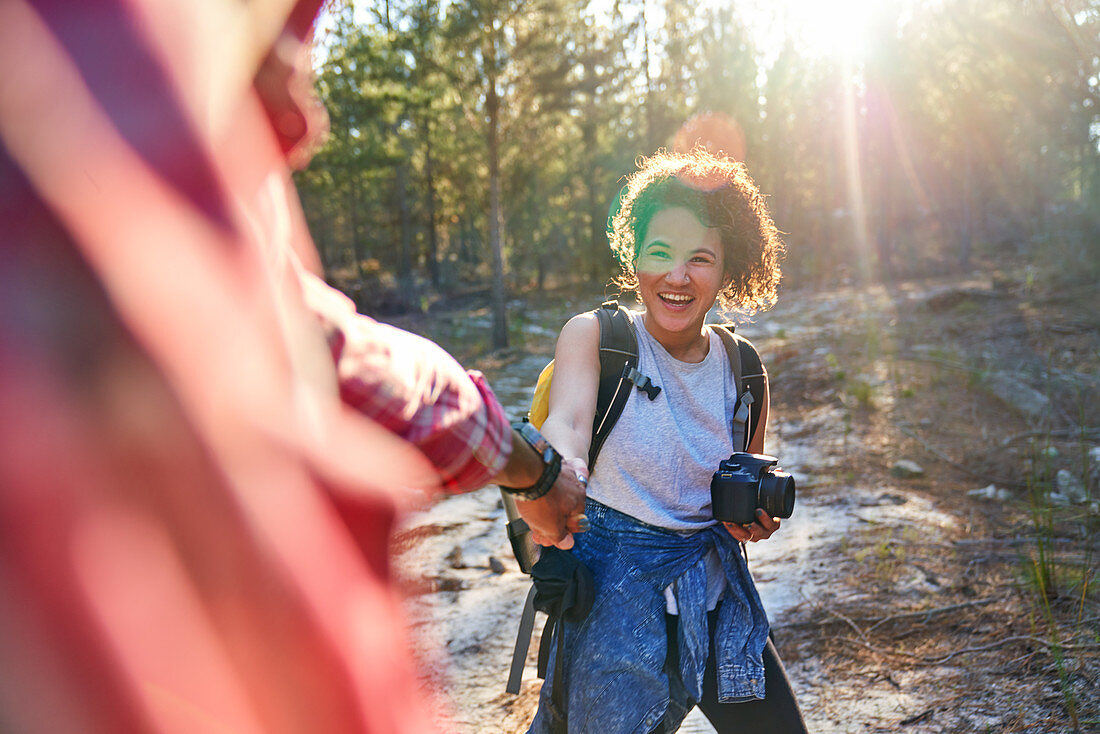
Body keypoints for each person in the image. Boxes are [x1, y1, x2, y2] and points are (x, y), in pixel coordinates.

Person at [0, 2, 579, 733]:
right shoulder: (96, 89)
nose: (310, 131)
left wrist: (526, 466)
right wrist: (532, 469)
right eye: (282, 41)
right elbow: (301, 356)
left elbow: (316, 347)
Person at [528, 148, 808, 733]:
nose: (677, 276)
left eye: (700, 259)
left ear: (727, 269)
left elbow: (741, 488)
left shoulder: (745, 369)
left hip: (713, 604)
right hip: (613, 608)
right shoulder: (596, 338)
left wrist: (752, 522)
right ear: (634, 259)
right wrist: (557, 475)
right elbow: (568, 428)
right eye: (660, 253)